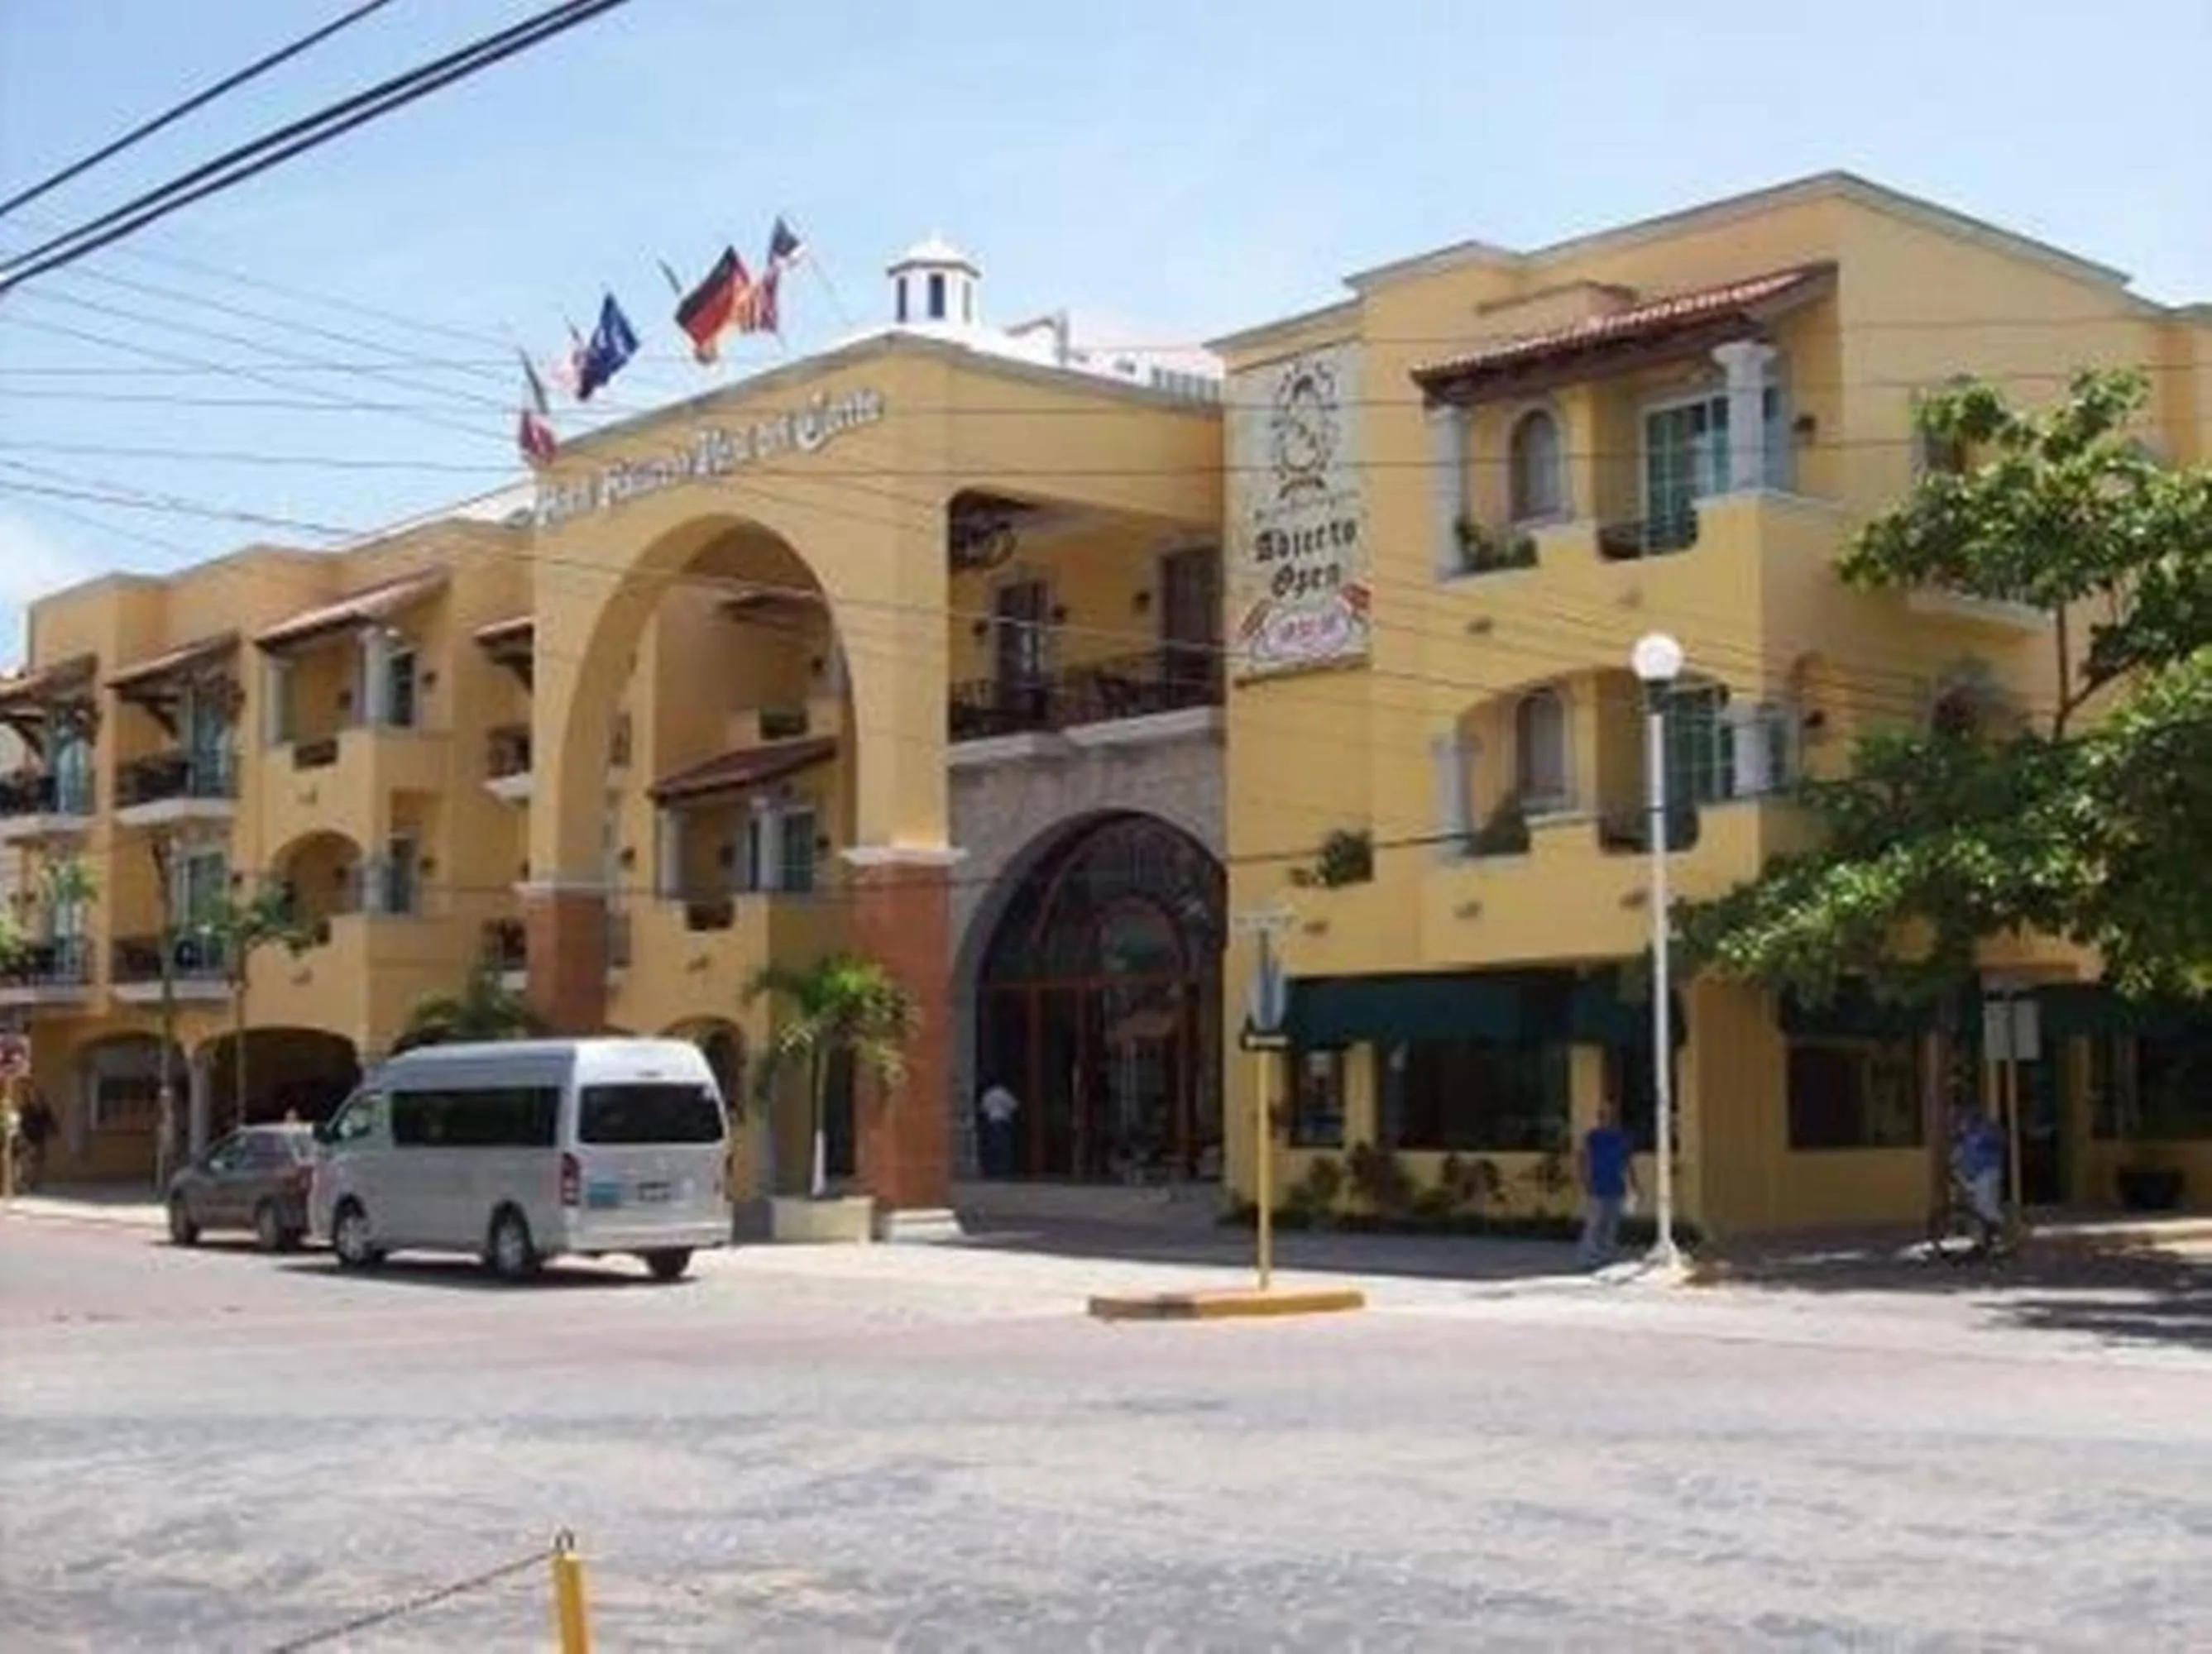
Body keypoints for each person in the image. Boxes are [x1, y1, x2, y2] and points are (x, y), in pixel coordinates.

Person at [1575, 1101, 1638, 1269]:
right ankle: (1587, 1257)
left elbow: (1627, 1162)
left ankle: (1606, 1255)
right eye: (1604, 1115)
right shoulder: (1592, 1137)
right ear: (1600, 1117)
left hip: (1616, 1186)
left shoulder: (1622, 1137)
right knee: (1594, 1224)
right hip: (1598, 1186)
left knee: (1612, 1225)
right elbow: (1582, 1158)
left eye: (1611, 1115)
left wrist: (1633, 1183)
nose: (1608, 1118)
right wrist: (1585, 1180)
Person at [1951, 1105, 2007, 1249]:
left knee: (1985, 1207)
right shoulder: (1967, 1137)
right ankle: (1985, 1240)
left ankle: (2000, 1232)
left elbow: (1989, 1148)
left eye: (1962, 1122)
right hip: (1977, 1175)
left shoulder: (1981, 1134)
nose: (1960, 1126)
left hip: (1986, 1172)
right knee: (1979, 1208)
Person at [977, 1080, 1020, 1179]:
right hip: (1003, 1121)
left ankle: (993, 1170)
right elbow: (1014, 1106)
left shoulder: (988, 1094)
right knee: (1004, 1147)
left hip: (992, 1122)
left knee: (993, 1147)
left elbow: (983, 1108)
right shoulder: (1003, 1093)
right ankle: (1004, 1170)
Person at [17, 1090, 56, 1192]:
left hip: (38, 1137)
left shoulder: (43, 1110)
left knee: (37, 1160)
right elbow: (22, 1123)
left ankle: (34, 1181)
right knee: (30, 1160)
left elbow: (51, 1122)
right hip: (30, 1137)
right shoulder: (27, 1110)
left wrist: (54, 1131)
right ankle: (29, 1181)